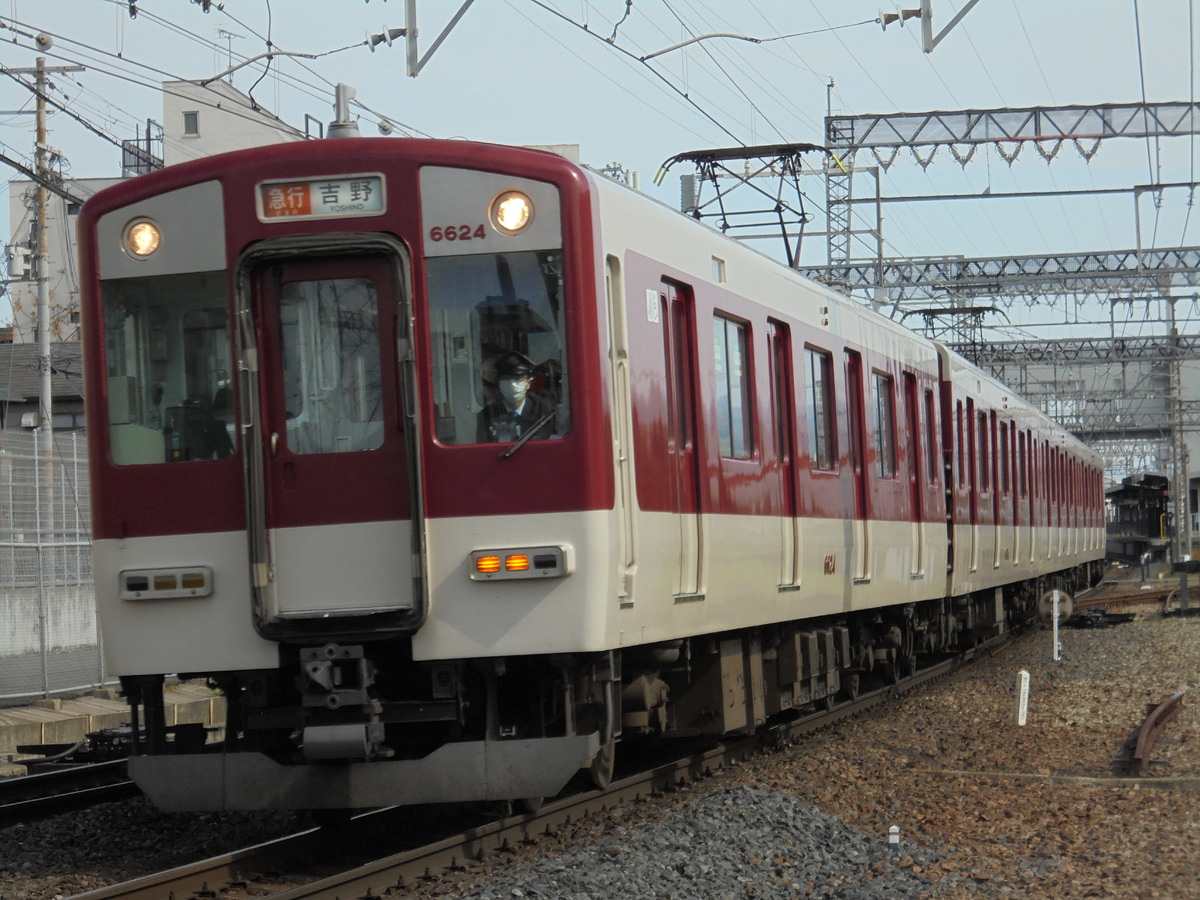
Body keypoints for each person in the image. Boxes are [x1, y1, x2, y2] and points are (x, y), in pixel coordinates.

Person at [476, 350, 555, 443]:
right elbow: (483, 447)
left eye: (518, 378)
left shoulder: (543, 410)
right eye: (506, 379)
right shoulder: (487, 415)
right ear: (499, 383)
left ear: (528, 383)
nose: (512, 384)